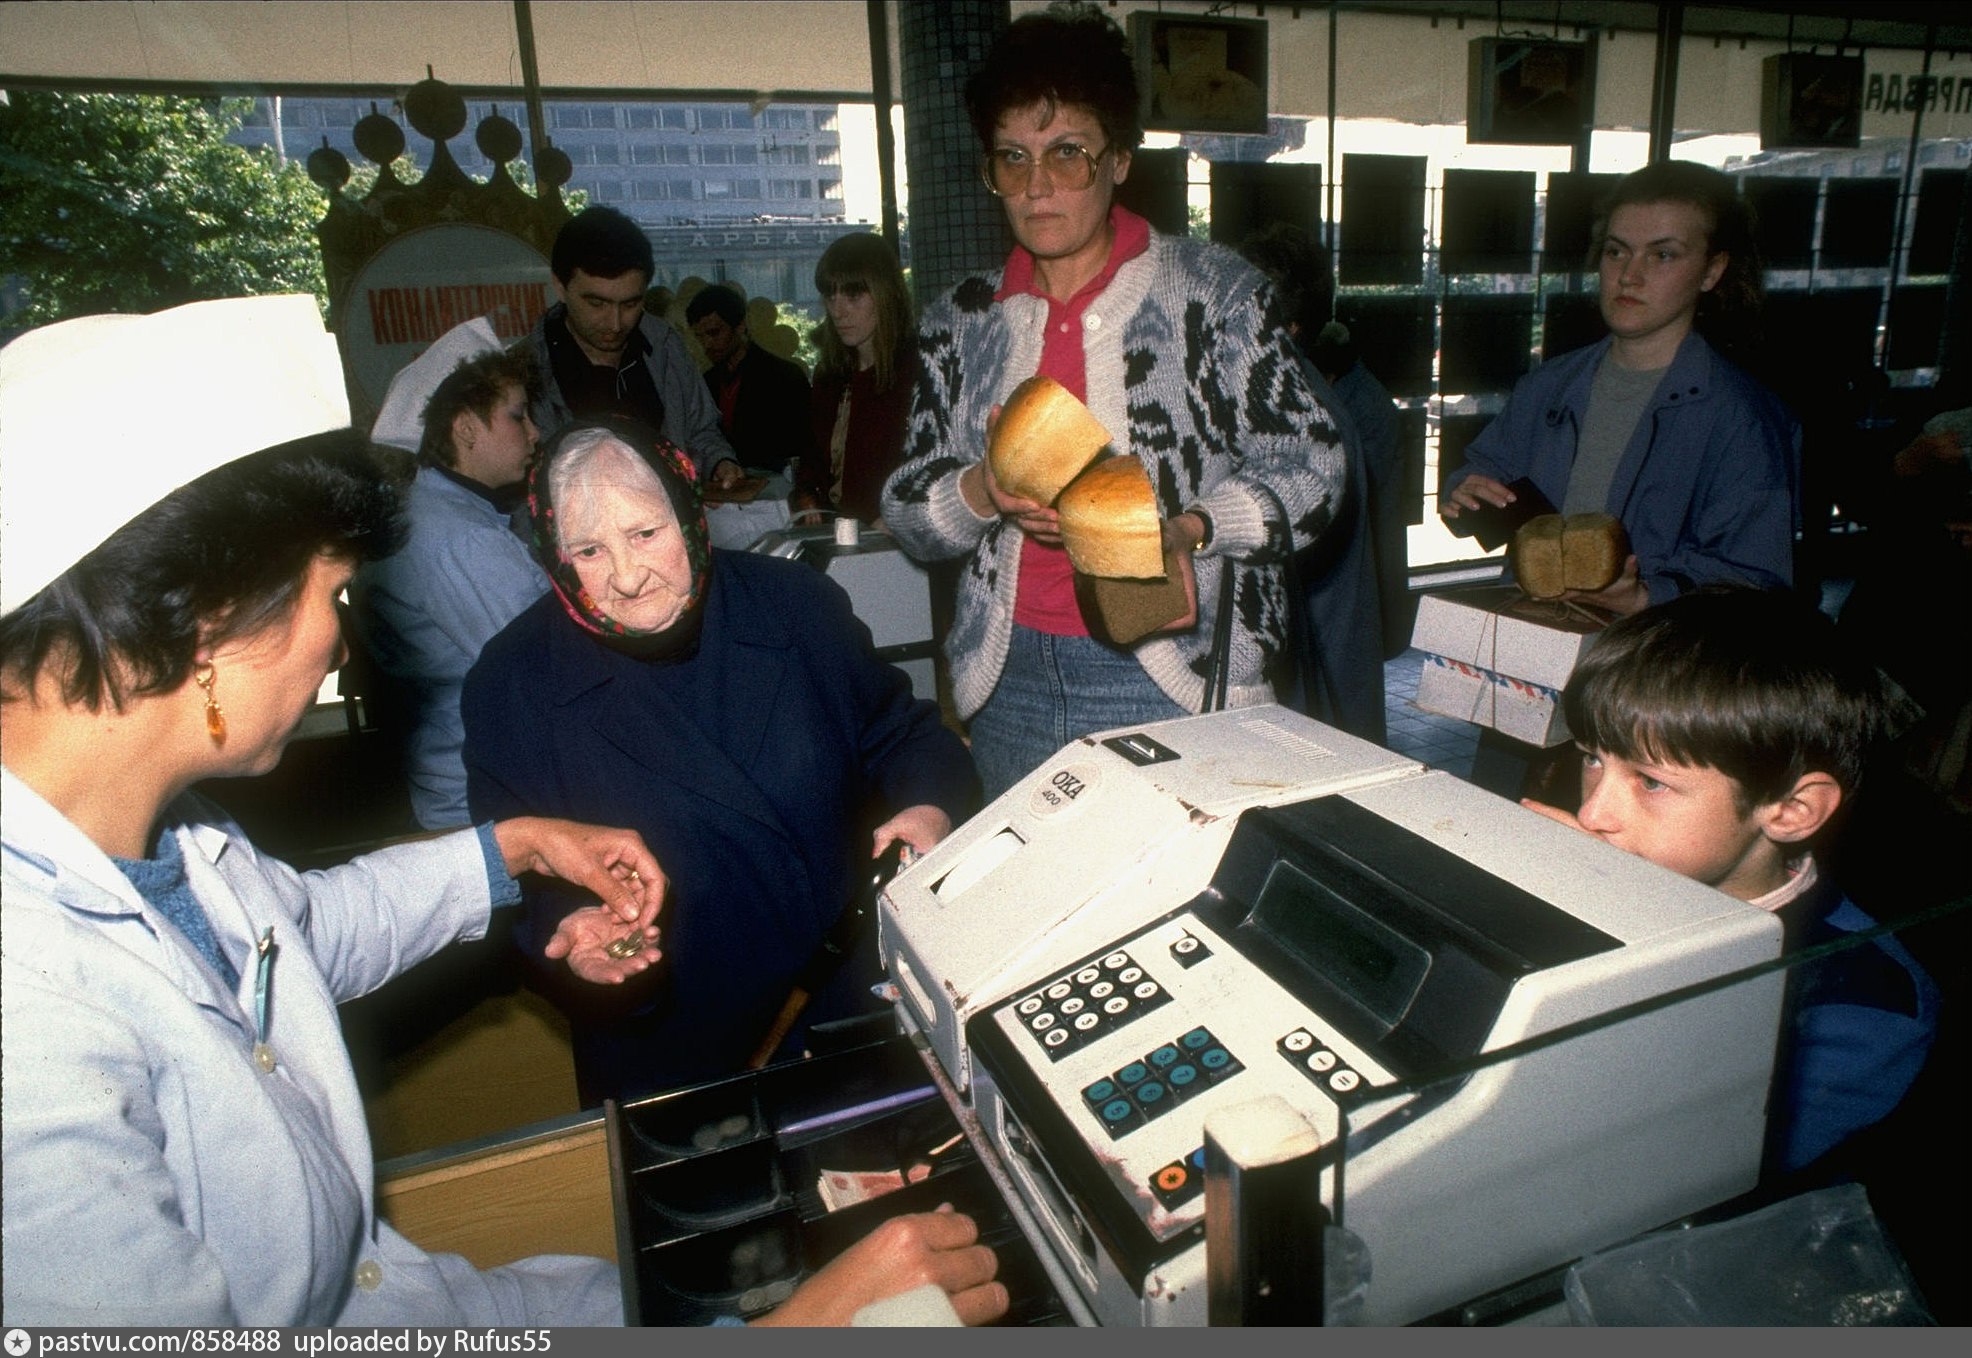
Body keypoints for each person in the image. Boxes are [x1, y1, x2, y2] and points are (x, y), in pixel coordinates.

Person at [0, 296, 1006, 1329]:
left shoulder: (185, 847)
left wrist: (519, 847)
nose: (343, 645)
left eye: (647, 530)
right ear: (206, 625)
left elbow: (306, 927)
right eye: (334, 596)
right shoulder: (29, 1036)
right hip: (693, 1073)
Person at [880, 3, 1346, 799]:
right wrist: (981, 491)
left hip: (1176, 672)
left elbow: (1315, 470)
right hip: (1010, 674)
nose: (1037, 187)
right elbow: (908, 509)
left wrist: (1189, 529)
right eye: (1012, 158)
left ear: (1120, 157)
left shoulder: (1216, 295)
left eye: (1068, 154)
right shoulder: (962, 320)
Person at [462, 418, 979, 1103]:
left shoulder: (795, 605)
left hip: (846, 1014)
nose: (626, 575)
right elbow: (518, 873)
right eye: (587, 550)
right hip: (675, 1051)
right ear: (552, 555)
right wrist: (564, 927)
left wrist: (927, 808)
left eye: (646, 533)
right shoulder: (513, 682)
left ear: (690, 513)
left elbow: (904, 736)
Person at [1524, 587, 1939, 1180]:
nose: (1592, 814)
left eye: (1650, 782)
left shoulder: (1864, 1003)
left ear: (1792, 810)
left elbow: (1675, 1173)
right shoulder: (1643, 869)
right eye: (1593, 759)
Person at [1439, 161, 1798, 615]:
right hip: (1537, 638)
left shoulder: (1744, 419)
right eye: (1616, 251)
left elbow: (1756, 579)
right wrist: (1464, 493)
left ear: (1712, 271)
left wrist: (1646, 598)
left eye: (1662, 255)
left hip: (1651, 660)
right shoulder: (1550, 385)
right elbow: (1484, 472)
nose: (1630, 274)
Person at [351, 319, 550, 829]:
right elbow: (549, 668)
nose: (535, 432)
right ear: (464, 428)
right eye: (517, 416)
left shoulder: (427, 510)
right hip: (486, 799)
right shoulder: (462, 539)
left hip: (449, 780)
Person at [1236, 223, 1390, 743]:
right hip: (1326, 649)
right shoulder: (1297, 393)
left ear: (1288, 328)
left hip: (1306, 658)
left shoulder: (1293, 411)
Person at [527, 205, 743, 488]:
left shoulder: (665, 345)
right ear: (559, 286)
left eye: (630, 304)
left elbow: (701, 431)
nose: (615, 323)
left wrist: (719, 462)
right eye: (596, 303)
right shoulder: (530, 369)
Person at [793, 232, 922, 527]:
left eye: (853, 296)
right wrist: (806, 494)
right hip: (837, 533)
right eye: (830, 295)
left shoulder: (918, 371)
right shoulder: (830, 375)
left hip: (896, 541)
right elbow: (812, 459)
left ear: (885, 294)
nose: (838, 311)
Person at [686, 282, 816, 478]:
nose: (706, 344)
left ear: (740, 326)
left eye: (714, 332)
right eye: (699, 336)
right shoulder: (706, 381)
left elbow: (803, 450)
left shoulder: (785, 377)